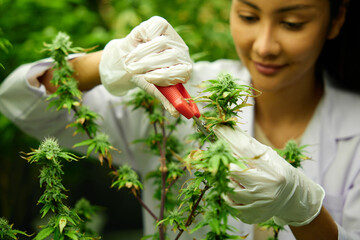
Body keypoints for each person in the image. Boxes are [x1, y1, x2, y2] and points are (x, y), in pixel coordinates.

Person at [0, 0, 359, 239]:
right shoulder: (178, 95)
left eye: (292, 23)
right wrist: (109, 63)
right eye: (248, 17)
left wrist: (307, 214)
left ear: (336, 18)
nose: (264, 46)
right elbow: (20, 105)